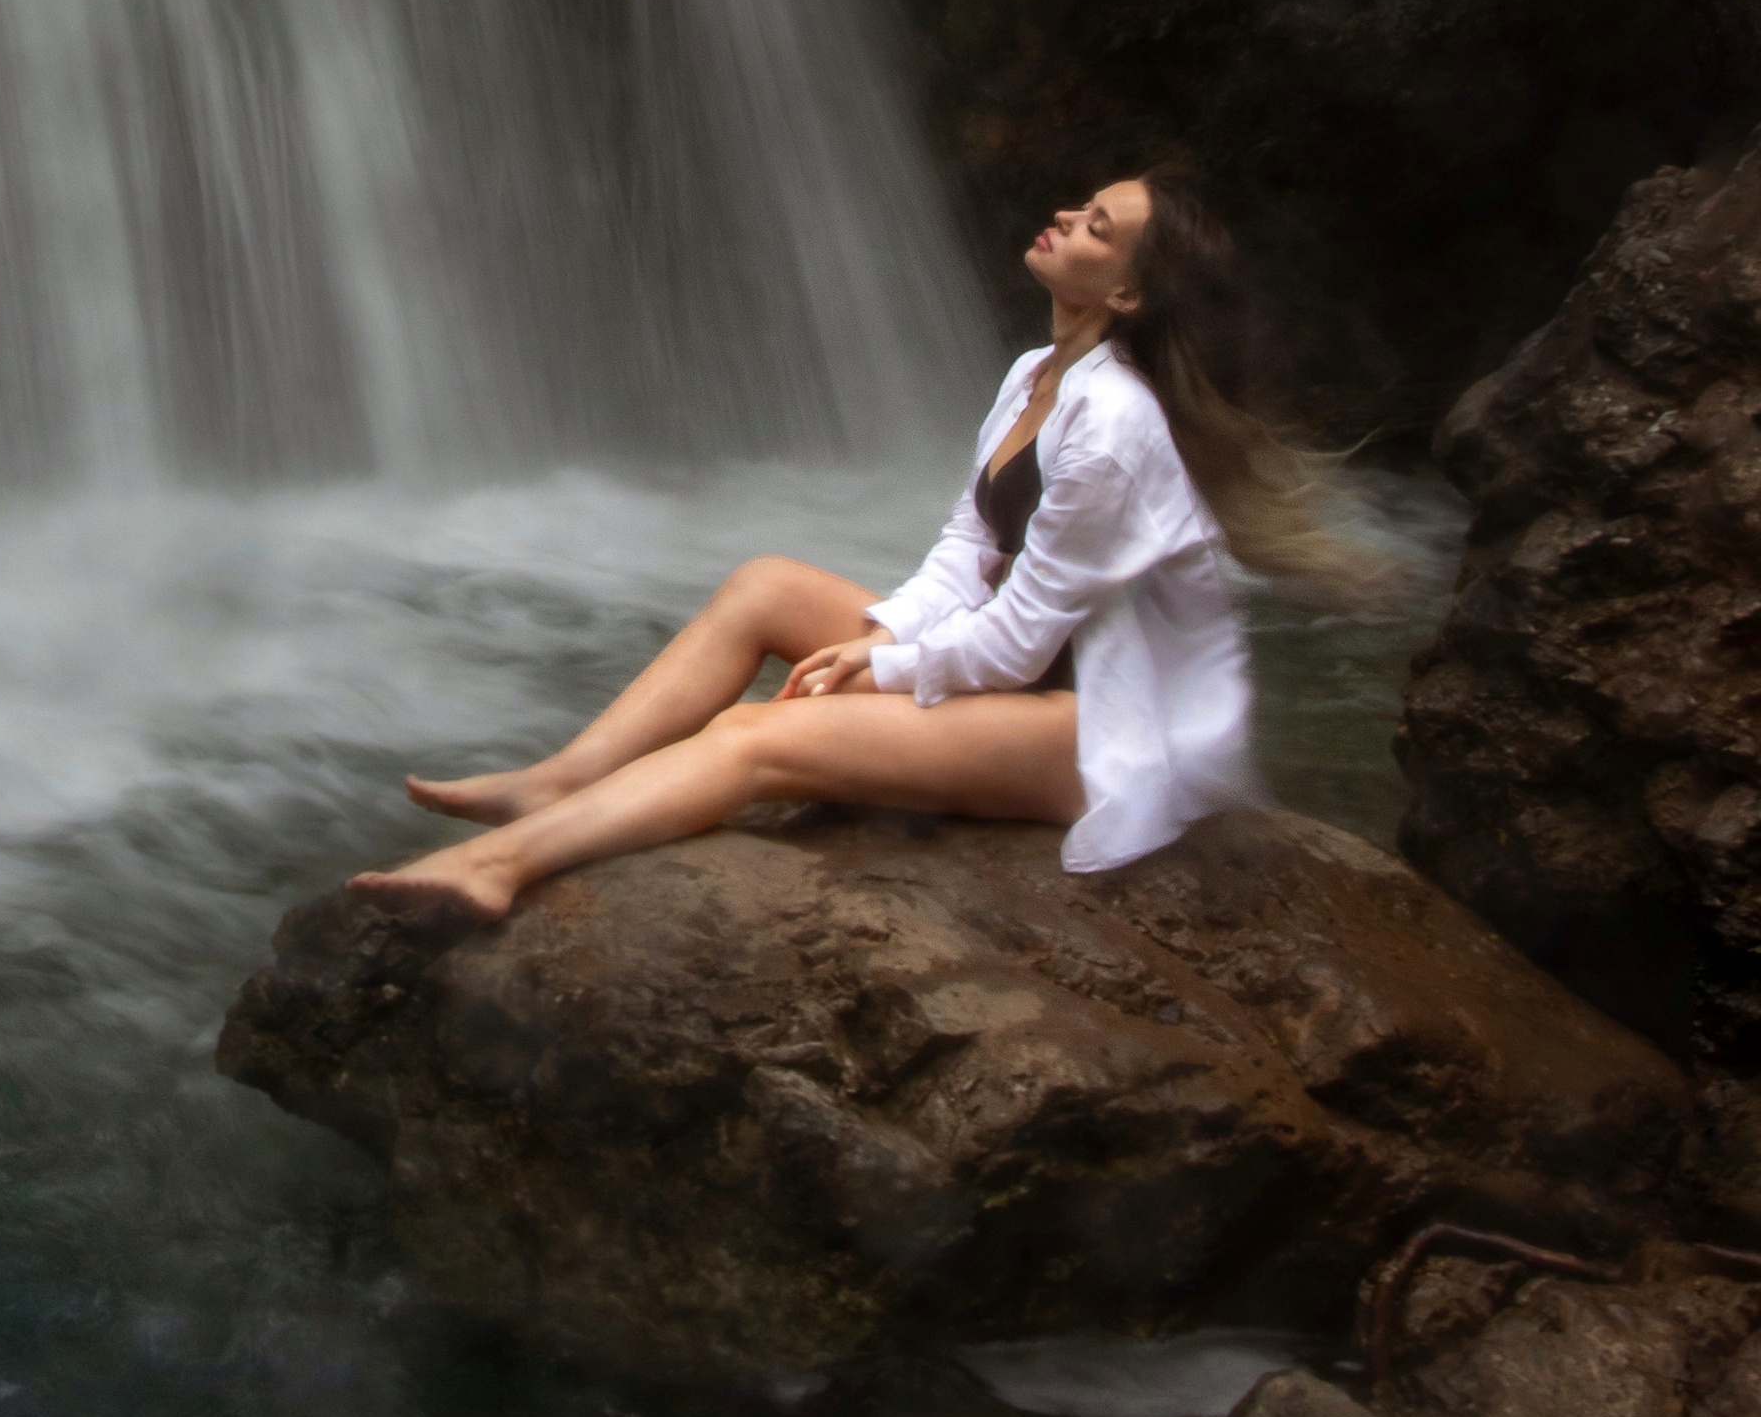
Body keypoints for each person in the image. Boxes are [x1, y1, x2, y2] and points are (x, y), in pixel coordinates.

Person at [350, 167, 1376, 928]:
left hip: (1103, 729)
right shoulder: (1035, 375)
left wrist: (883, 667)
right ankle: (562, 779)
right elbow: (968, 547)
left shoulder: (1115, 425)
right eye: (1079, 207)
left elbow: (1019, 640)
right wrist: (884, 634)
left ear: (1129, 296)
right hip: (1032, 679)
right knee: (764, 587)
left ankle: (497, 868)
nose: (1065, 216)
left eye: (1095, 225)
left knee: (759, 740)